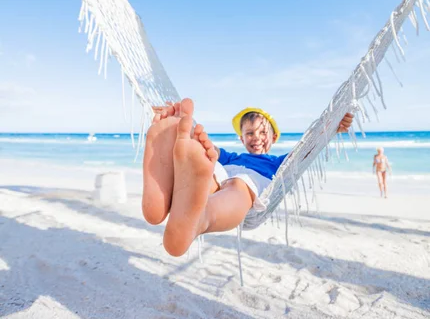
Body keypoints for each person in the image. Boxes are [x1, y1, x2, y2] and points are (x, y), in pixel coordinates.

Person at [142, 98, 353, 257]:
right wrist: (178, 125)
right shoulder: (232, 157)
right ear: (241, 138)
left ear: (274, 137)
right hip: (223, 173)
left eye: (262, 133)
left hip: (251, 182)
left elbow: (306, 150)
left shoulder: (278, 163)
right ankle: (168, 198)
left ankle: (199, 218)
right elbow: (206, 148)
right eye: (250, 134)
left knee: (238, 185)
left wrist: (332, 128)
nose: (256, 138)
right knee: (209, 166)